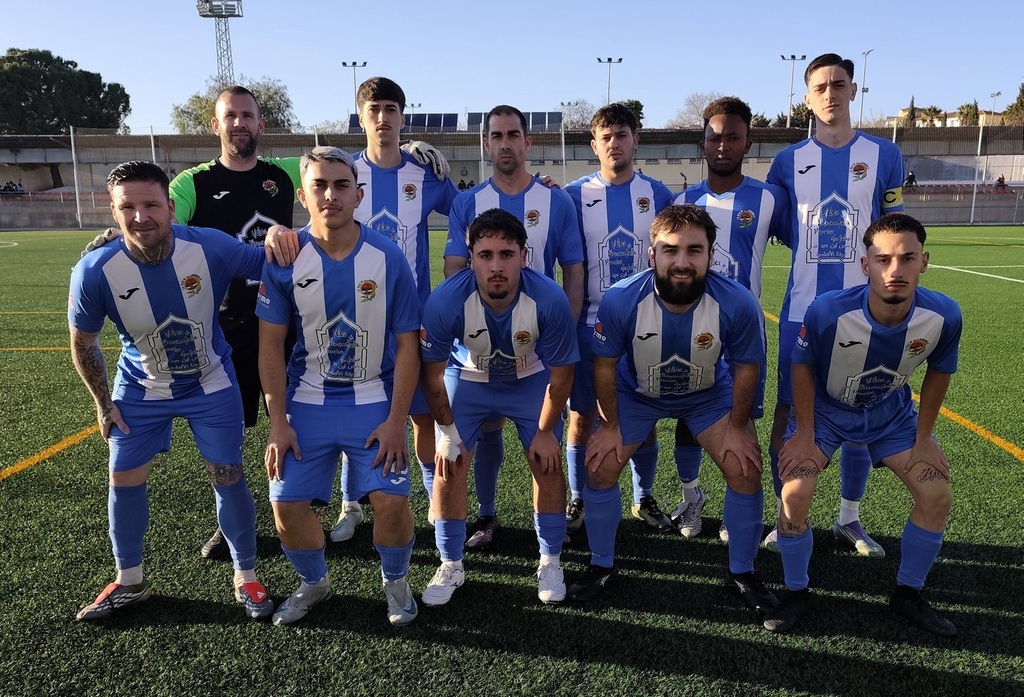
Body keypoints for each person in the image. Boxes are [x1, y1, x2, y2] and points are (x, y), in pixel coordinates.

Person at [69, 160, 297, 621]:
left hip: (211, 383)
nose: (140, 217)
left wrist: (278, 237)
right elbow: (83, 343)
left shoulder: (208, 246)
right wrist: (103, 404)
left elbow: (274, 261)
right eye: (127, 207)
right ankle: (129, 581)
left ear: (170, 207)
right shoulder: (94, 270)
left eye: (150, 204)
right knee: (123, 477)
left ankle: (246, 575)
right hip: (139, 389)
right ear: (113, 212)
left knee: (227, 475)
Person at [570, 204, 773, 613]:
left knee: (745, 466)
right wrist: (608, 426)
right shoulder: (622, 298)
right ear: (652, 254)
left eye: (694, 251)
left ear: (711, 255)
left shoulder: (738, 302)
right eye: (670, 250)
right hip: (638, 393)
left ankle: (743, 571)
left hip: (707, 395)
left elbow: (749, 366)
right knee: (600, 464)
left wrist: (737, 425)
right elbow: (604, 367)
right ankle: (601, 565)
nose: (682, 262)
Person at [766, 213, 960, 636]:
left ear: (924, 261)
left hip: (890, 416)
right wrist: (802, 431)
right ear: (865, 265)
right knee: (795, 493)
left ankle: (909, 594)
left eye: (907, 258)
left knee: (937, 495)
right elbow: (800, 364)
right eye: (883, 259)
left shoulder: (944, 315)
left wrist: (924, 438)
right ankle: (797, 592)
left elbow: (939, 373)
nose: (895, 270)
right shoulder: (828, 311)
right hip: (826, 413)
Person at [257, 146, 421, 626]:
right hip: (305, 402)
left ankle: (396, 582)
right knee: (285, 506)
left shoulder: (387, 256)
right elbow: (270, 348)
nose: (331, 194)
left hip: (372, 399)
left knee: (391, 501)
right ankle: (315, 583)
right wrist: (278, 421)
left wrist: (396, 420)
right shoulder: (285, 258)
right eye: (319, 186)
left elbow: (408, 345)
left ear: (358, 195)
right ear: (304, 197)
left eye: (341, 185)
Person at [766, 53, 906, 558]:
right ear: (806, 97)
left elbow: (893, 232)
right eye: (820, 86)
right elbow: (783, 231)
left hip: (865, 314)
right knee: (787, 412)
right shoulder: (786, 163)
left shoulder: (885, 154)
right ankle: (781, 516)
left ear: (853, 90)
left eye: (838, 84)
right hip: (803, 311)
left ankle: (849, 519)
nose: (830, 93)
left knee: (861, 407)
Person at [419, 208, 579, 606]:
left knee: (547, 461)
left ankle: (550, 559)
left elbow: (561, 377)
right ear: (470, 257)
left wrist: (544, 433)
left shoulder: (549, 297)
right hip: (468, 380)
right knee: (449, 461)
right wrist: (447, 432)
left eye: (506, 254)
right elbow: (433, 376)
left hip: (528, 380)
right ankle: (450, 562)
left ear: (524, 256)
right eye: (485, 254)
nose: (496, 266)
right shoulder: (445, 301)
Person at [441, 105, 583, 550]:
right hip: (478, 354)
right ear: (486, 143)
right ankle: (485, 516)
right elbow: (453, 272)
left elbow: (573, 271)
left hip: (536, 352)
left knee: (544, 450)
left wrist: (565, 331)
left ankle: (552, 552)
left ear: (528, 142)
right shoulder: (467, 202)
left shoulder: (555, 200)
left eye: (513, 134)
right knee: (479, 437)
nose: (505, 142)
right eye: (496, 134)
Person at [328, 77, 459, 543]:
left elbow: (466, 211)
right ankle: (350, 506)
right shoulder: (342, 173)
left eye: (390, 109)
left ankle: (430, 498)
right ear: (360, 117)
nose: (382, 117)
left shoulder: (425, 174)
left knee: (423, 414)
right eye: (373, 109)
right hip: (354, 317)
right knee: (355, 409)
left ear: (403, 117)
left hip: (413, 319)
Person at [671, 97, 789, 541]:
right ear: (702, 143)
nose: (723, 145)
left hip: (743, 333)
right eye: (714, 137)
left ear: (748, 143)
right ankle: (692, 496)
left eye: (732, 137)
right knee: (688, 415)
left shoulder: (769, 200)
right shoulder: (681, 200)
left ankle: (734, 502)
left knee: (741, 417)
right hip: (690, 329)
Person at [564, 102, 675, 537]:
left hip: (644, 330)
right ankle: (578, 497)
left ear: (635, 140)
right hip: (589, 328)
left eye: (622, 135)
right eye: (605, 137)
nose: (614, 143)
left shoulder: (658, 195)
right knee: (581, 416)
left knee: (641, 420)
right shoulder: (572, 196)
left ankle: (643, 497)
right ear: (594, 145)